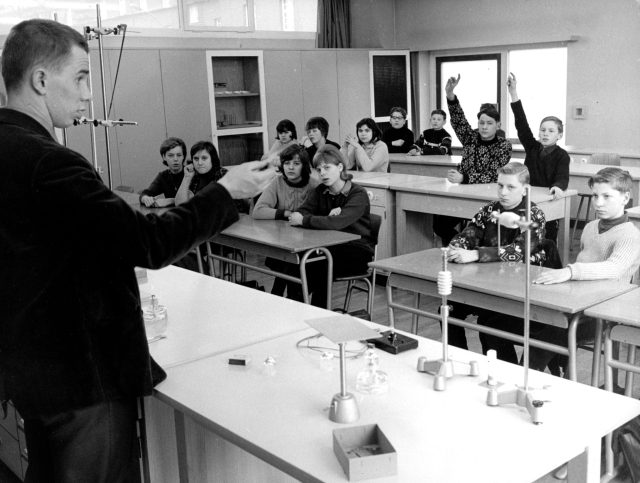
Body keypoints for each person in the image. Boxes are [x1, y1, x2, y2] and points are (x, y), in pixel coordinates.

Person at [0, 19, 275, 482]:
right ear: (41, 80)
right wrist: (227, 190)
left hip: (33, 369)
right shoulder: (50, 161)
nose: (90, 94)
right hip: (83, 381)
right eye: (82, 76)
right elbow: (148, 243)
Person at [530, 167, 640, 373]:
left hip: (604, 312)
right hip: (577, 302)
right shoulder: (590, 227)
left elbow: (614, 268)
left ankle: (523, 379)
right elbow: (584, 261)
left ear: (625, 198)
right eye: (595, 196)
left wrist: (570, 272)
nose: (598, 202)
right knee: (534, 322)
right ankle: (556, 373)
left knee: (547, 335)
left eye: (607, 196)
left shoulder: (631, 235)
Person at [445, 163, 548, 355]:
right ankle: (458, 358)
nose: (504, 192)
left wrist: (476, 254)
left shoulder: (533, 215)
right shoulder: (489, 210)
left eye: (511, 187)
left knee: (490, 324)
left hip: (518, 290)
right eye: (500, 186)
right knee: (447, 310)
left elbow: (518, 251)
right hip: (486, 283)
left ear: (525, 190)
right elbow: (470, 233)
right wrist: (457, 246)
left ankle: (501, 370)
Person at [287, 144, 375, 308]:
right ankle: (300, 311)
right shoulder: (321, 190)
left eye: (327, 167)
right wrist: (323, 218)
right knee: (296, 265)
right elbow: (300, 212)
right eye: (319, 170)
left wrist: (307, 220)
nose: (322, 173)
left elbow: (337, 222)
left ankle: (315, 313)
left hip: (356, 251)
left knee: (318, 265)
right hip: (328, 247)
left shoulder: (358, 194)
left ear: (340, 167)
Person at [435, 74, 512, 246]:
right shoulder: (470, 137)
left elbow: (494, 174)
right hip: (464, 194)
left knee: (478, 230)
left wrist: (465, 178)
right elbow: (458, 120)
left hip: (488, 198)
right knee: (440, 224)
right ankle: (457, 246)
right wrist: (449, 94)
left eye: (489, 123)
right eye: (481, 123)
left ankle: (465, 247)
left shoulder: (504, 145)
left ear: (498, 125)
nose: (484, 127)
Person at [507, 72, 570, 243]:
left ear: (559, 135)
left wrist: (558, 187)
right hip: (528, 198)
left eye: (551, 131)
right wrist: (513, 94)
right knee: (524, 236)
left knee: (546, 239)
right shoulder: (533, 147)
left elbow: (562, 177)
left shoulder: (562, 155)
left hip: (548, 201)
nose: (545, 134)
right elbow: (521, 124)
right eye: (542, 130)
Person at [252, 144, 319, 295]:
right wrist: (285, 213)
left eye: (296, 163)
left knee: (290, 265)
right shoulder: (277, 182)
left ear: (304, 166)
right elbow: (258, 211)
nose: (290, 167)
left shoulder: (314, 185)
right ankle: (289, 299)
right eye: (287, 163)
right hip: (284, 242)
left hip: (309, 244)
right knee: (287, 263)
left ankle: (282, 297)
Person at [139, 137, 187, 207]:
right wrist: (145, 198)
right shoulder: (163, 176)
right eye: (171, 155)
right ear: (164, 157)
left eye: (179, 155)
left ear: (183, 156)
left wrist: (170, 201)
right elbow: (146, 193)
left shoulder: (190, 173)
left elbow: (191, 200)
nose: (175, 159)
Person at [175, 140, 226, 205]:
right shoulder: (194, 176)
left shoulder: (222, 174)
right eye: (196, 159)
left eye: (204, 158)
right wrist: (187, 177)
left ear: (212, 159)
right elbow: (180, 204)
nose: (199, 163)